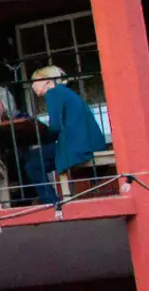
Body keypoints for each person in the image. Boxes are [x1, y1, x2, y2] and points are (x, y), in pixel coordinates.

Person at [21, 65, 109, 205]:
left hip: (76, 146)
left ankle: (52, 202)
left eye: (35, 81)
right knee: (34, 163)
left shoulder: (54, 93)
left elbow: (55, 127)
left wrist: (41, 136)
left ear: (48, 81)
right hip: (84, 144)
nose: (32, 86)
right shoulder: (64, 92)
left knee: (30, 161)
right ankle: (50, 200)